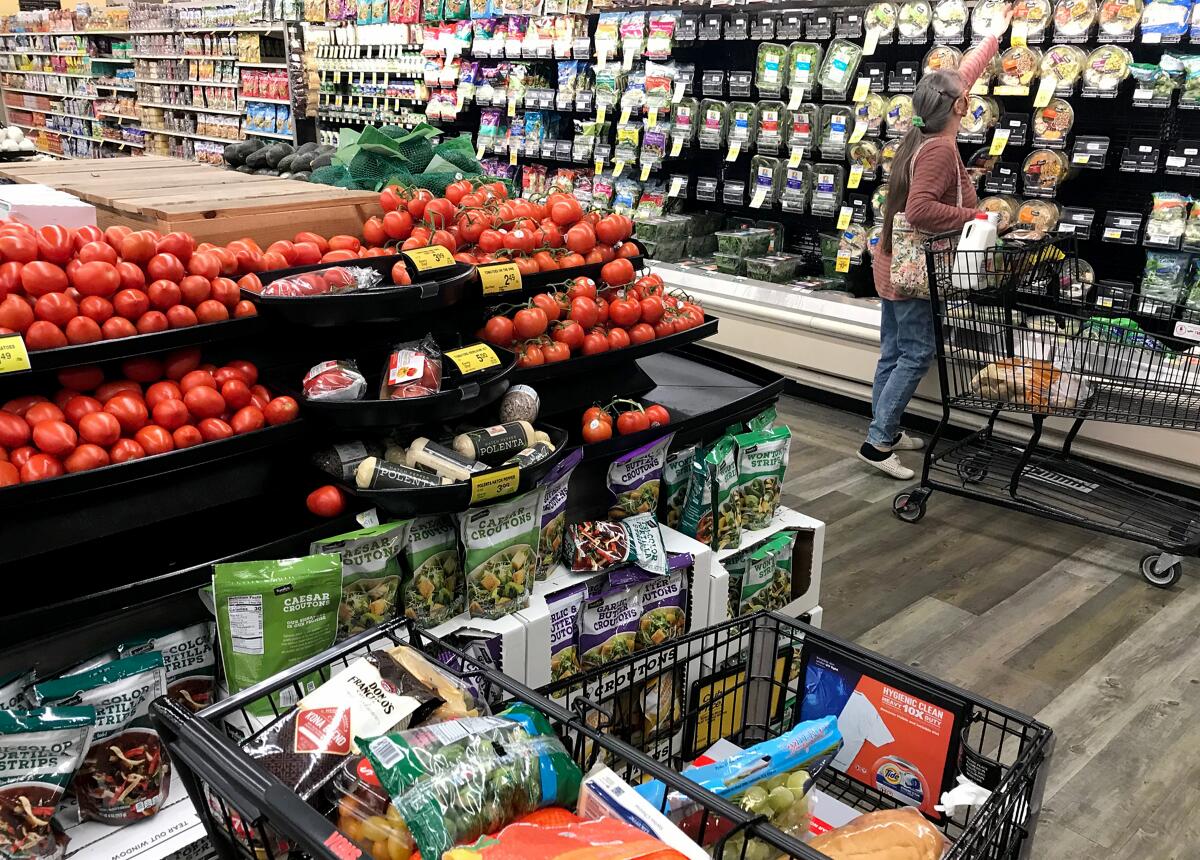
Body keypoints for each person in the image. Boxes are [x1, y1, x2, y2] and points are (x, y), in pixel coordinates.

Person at [857, 34, 1000, 480]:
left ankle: (886, 428)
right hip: (916, 269)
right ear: (957, 108)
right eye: (965, 98)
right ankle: (878, 443)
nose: (969, 96)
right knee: (916, 353)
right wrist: (973, 215)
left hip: (892, 261)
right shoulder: (939, 148)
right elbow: (919, 210)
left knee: (893, 352)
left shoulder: (922, 131)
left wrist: (994, 34)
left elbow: (958, 78)